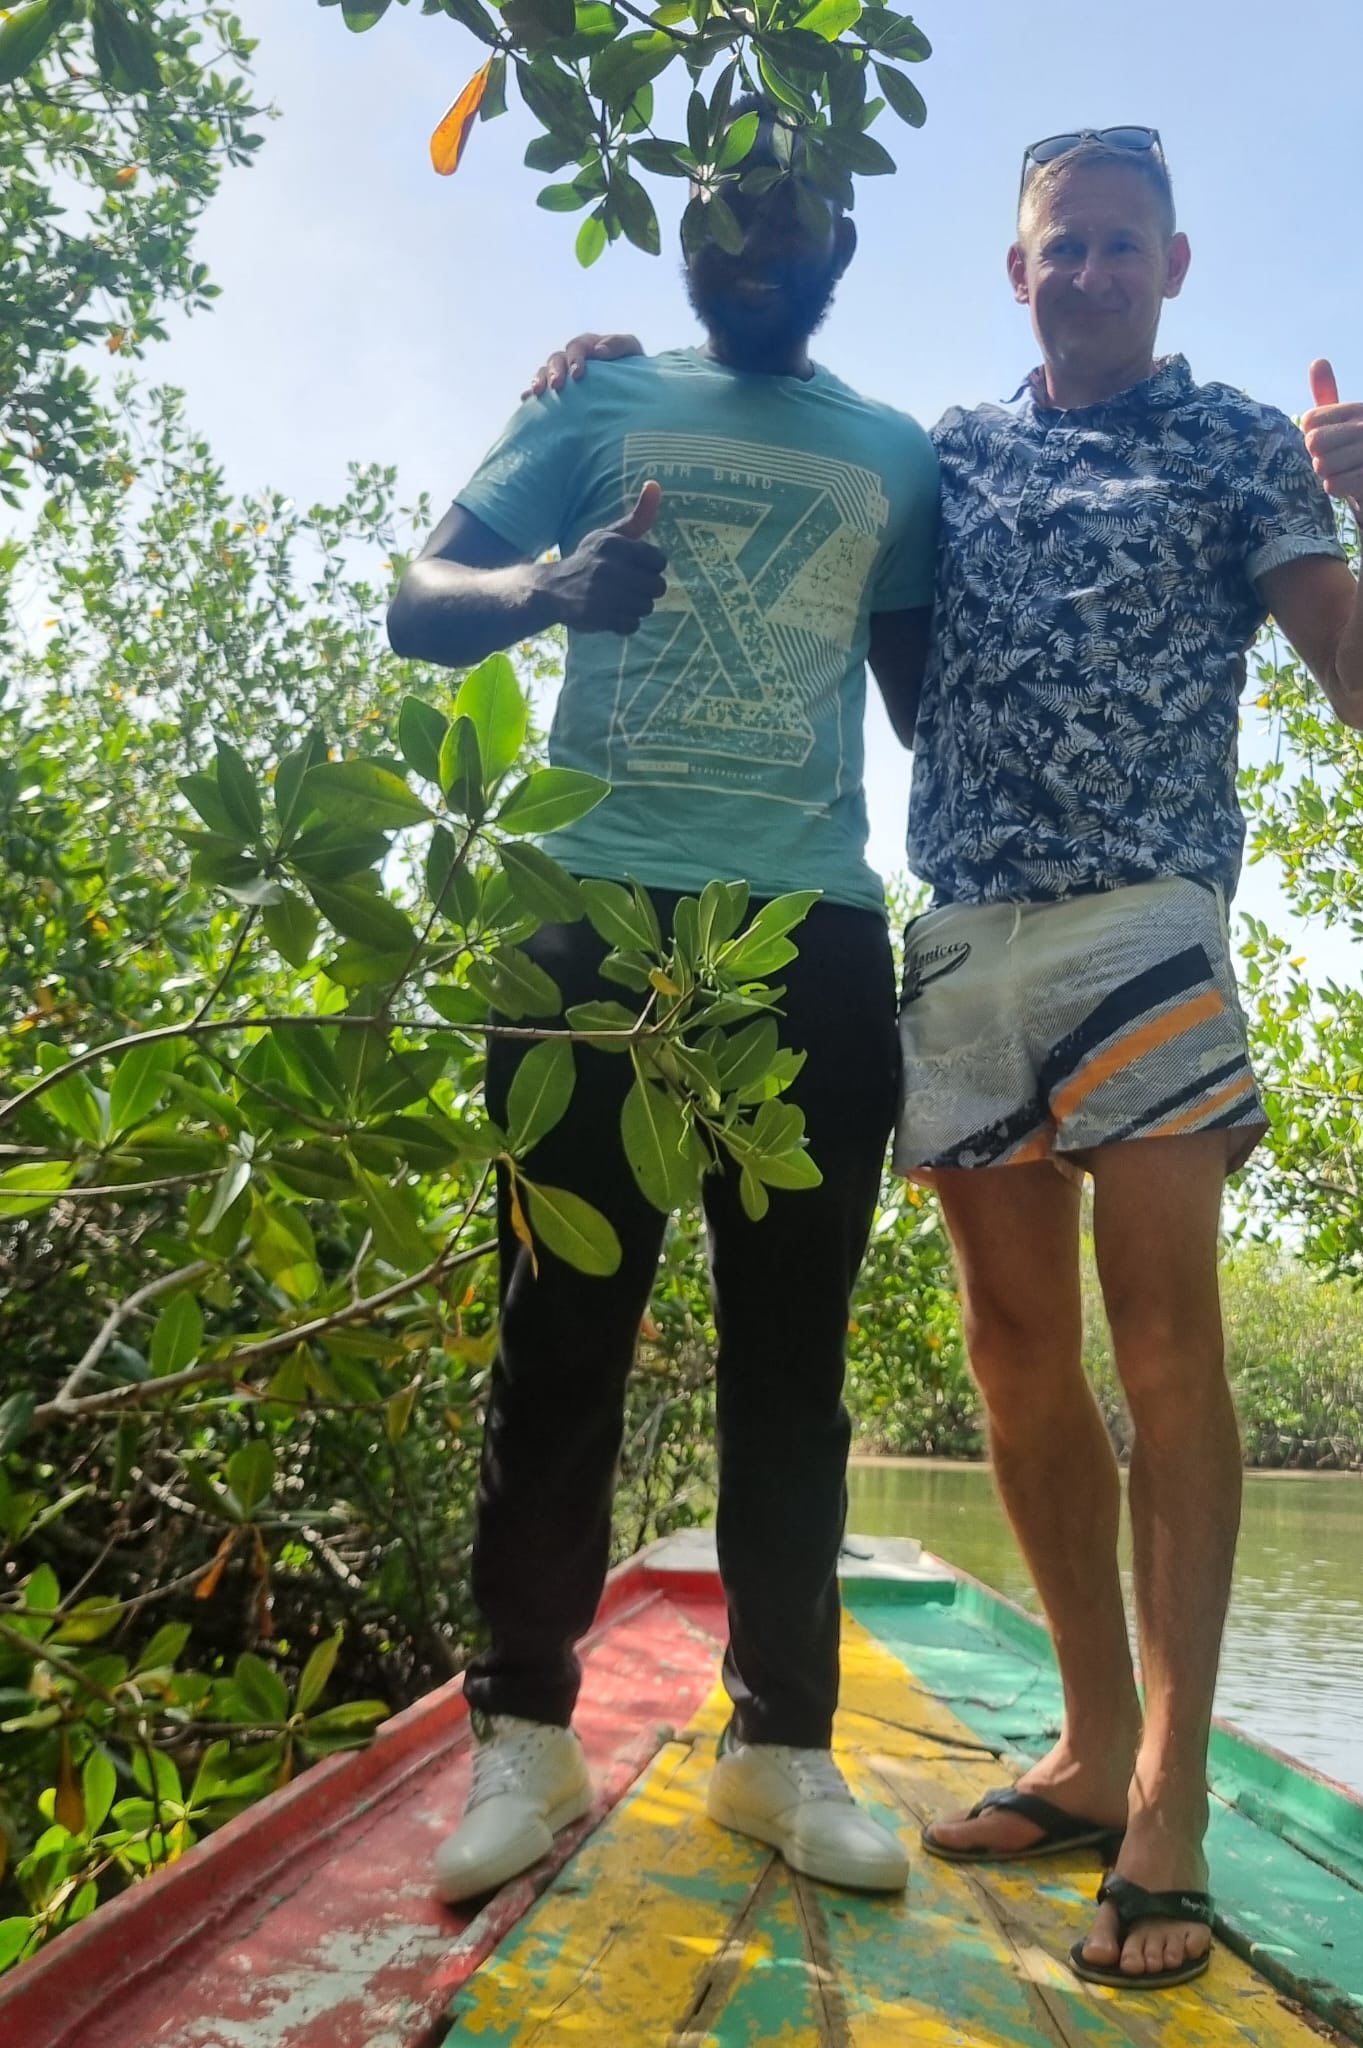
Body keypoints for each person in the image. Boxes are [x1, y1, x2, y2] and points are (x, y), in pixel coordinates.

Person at [527, 124, 1363, 1988]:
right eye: (1059, 246)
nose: (1088, 270)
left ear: (1175, 264)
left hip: (1138, 923)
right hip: (954, 931)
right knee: (1017, 1360)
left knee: (1167, 1345)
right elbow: (784, 461)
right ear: (1014, 271)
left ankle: (1170, 1807)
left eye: (1119, 244)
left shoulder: (1245, 440)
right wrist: (597, 367)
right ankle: (1092, 1746)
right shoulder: (946, 451)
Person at [386, 106, 939, 1904]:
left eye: (785, 250)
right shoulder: (588, 405)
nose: (750, 268)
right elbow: (417, 603)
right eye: (721, 248)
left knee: (797, 1363)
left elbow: (941, 710)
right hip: (586, 914)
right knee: (561, 1339)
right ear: (684, 259)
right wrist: (543, 587)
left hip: (808, 935)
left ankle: (779, 1753)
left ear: (839, 262)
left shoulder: (898, 460)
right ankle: (523, 1747)